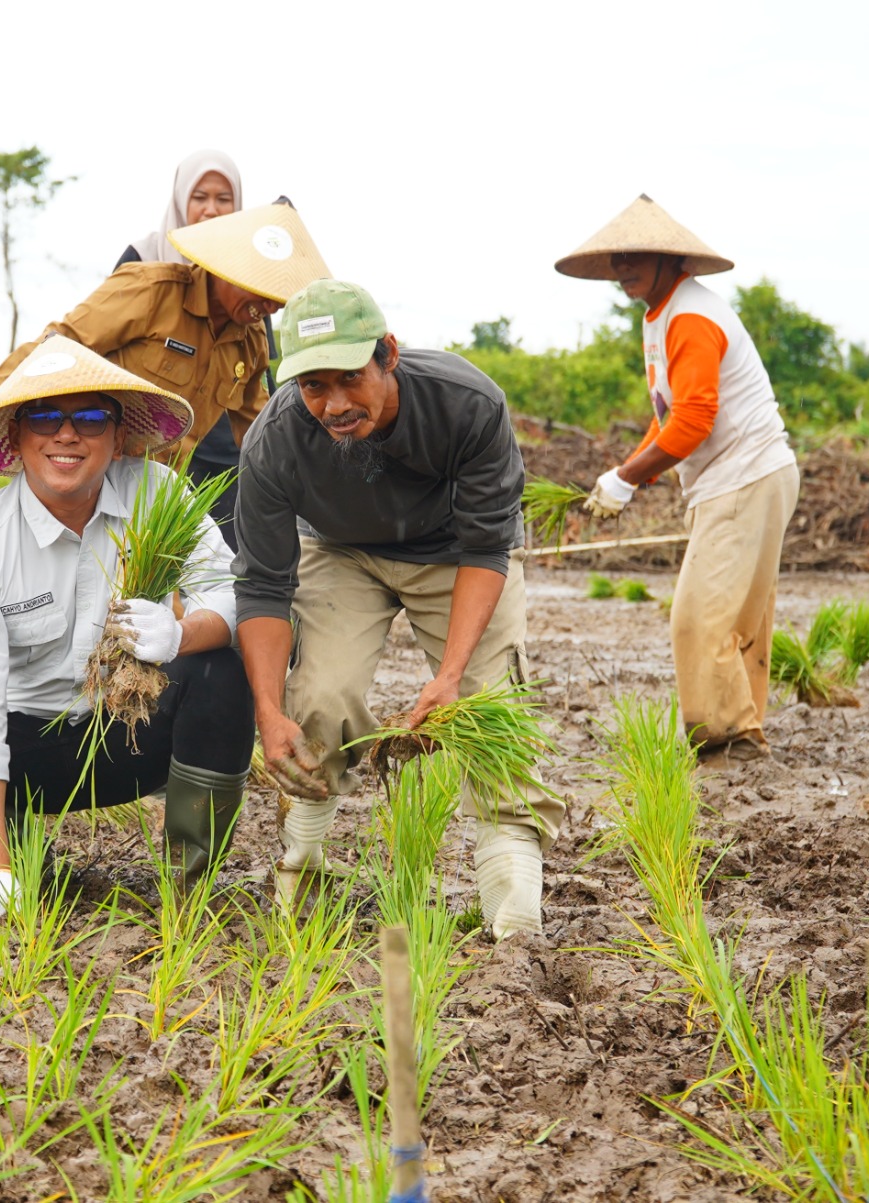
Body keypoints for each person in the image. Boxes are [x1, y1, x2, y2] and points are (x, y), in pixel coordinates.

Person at [0, 337, 253, 915]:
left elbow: (231, 594)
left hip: (131, 733)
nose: (67, 435)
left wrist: (181, 634)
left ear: (119, 437)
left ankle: (190, 885)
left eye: (91, 418)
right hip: (28, 749)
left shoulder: (159, 494)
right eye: (44, 417)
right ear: (16, 438)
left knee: (222, 669)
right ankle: (21, 869)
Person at [232, 279, 563, 939]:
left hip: (455, 553)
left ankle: (512, 901)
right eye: (313, 386)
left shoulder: (467, 405)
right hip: (343, 552)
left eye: (350, 378)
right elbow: (264, 584)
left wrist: (449, 677)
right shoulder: (274, 440)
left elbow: (488, 547)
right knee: (321, 696)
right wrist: (268, 712)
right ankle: (302, 865)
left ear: (388, 353)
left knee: (487, 700)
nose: (334, 404)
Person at [556, 195, 799, 761]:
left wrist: (626, 476)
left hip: (745, 476)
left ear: (671, 260)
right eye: (617, 258)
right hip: (745, 479)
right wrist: (626, 477)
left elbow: (695, 419)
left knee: (697, 618)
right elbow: (670, 414)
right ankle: (742, 734)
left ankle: (725, 740)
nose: (623, 267)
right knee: (736, 617)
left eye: (636, 256)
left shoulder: (690, 315)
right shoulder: (661, 314)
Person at [0, 202, 330, 511]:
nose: (271, 307)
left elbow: (258, 431)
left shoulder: (251, 340)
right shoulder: (151, 291)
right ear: (229, 268)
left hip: (158, 497)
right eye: (262, 290)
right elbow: (57, 343)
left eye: (279, 297)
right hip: (83, 473)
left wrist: (306, 481)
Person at [114, 150, 246, 544]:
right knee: (146, 556)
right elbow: (98, 346)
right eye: (199, 197)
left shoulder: (247, 270)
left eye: (224, 199)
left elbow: (259, 366)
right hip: (149, 442)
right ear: (180, 200)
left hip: (222, 449)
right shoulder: (144, 259)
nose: (211, 210)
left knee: (223, 562)